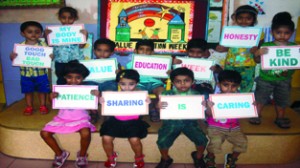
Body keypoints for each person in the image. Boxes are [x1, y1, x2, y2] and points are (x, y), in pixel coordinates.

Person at [40, 60, 96, 168]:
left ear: (83, 78)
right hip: (62, 118)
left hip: (81, 118)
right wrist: (51, 98)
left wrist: (95, 98)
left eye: (78, 78)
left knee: (85, 133)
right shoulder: (60, 90)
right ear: (65, 77)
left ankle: (82, 155)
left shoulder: (87, 90)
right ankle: (60, 154)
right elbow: (53, 103)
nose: (74, 80)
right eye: (69, 77)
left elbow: (93, 109)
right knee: (44, 133)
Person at [249, 12, 296, 128]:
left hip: (284, 80)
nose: (282, 35)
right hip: (265, 79)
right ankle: (256, 115)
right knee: (260, 98)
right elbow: (257, 61)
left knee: (282, 100)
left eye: (286, 33)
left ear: (291, 33)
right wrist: (257, 53)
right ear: (272, 32)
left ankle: (280, 118)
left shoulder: (294, 47)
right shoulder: (266, 46)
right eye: (278, 32)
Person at [156, 67, 208, 168]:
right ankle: (165, 159)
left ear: (192, 81)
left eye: (186, 81)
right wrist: (158, 107)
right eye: (178, 81)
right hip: (171, 123)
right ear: (173, 82)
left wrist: (203, 106)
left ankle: (198, 157)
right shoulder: (166, 94)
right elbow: (161, 111)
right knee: (162, 141)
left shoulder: (196, 95)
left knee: (202, 139)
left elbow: (200, 110)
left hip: (190, 123)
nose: (183, 84)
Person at [97, 69, 150, 168]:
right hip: (115, 121)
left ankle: (139, 157)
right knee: (106, 137)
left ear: (137, 83)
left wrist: (147, 101)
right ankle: (111, 157)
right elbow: (106, 103)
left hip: (133, 122)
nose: (127, 87)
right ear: (118, 83)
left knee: (134, 139)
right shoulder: (113, 94)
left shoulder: (140, 94)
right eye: (123, 84)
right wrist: (102, 100)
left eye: (131, 84)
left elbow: (145, 104)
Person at [204, 70, 248, 168]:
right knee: (215, 143)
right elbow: (208, 114)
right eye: (226, 85)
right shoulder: (214, 98)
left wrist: (251, 106)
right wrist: (209, 107)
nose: (229, 88)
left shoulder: (240, 99)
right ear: (219, 85)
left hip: (233, 127)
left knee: (243, 143)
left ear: (238, 86)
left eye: (234, 86)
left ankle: (232, 158)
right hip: (216, 127)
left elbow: (246, 112)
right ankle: (210, 158)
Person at [216, 5, 264, 93]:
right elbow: (227, 46)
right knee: (228, 83)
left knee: (246, 84)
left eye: (248, 18)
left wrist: (256, 51)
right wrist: (222, 48)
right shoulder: (231, 31)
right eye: (240, 18)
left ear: (254, 19)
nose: (244, 21)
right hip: (231, 63)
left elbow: (260, 50)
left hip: (248, 65)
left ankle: (243, 101)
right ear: (235, 18)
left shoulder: (258, 33)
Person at [10, 21, 51, 115]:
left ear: (40, 33)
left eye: (37, 32)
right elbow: (14, 58)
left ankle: (43, 105)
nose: (33, 34)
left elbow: (49, 55)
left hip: (41, 73)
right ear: (22, 33)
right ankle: (29, 106)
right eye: (30, 32)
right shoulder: (20, 46)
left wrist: (50, 56)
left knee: (42, 91)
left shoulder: (44, 45)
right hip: (25, 74)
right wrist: (12, 56)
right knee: (28, 91)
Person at [44, 6, 88, 84]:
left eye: (70, 18)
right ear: (60, 18)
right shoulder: (55, 32)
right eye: (63, 18)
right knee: (61, 78)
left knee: (75, 78)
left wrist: (84, 36)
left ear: (74, 19)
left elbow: (81, 46)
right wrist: (47, 36)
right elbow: (49, 45)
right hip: (60, 60)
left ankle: (76, 93)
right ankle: (61, 94)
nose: (67, 20)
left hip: (74, 60)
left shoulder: (78, 31)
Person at [126, 40, 165, 122]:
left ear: (152, 52)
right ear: (135, 51)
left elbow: (164, 78)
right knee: (138, 93)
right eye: (141, 49)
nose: (144, 52)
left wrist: (167, 73)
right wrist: (132, 72)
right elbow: (128, 78)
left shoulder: (159, 63)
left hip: (156, 84)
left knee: (162, 93)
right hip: (139, 84)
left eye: (148, 50)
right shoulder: (130, 64)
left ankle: (157, 108)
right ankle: (148, 108)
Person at [85, 38, 119, 124]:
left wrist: (118, 73)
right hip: (92, 82)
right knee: (89, 91)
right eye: (99, 50)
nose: (102, 53)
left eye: (106, 51)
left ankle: (107, 113)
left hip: (108, 83)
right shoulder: (89, 63)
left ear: (112, 53)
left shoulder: (114, 63)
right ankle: (93, 112)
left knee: (109, 93)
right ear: (94, 51)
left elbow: (120, 78)